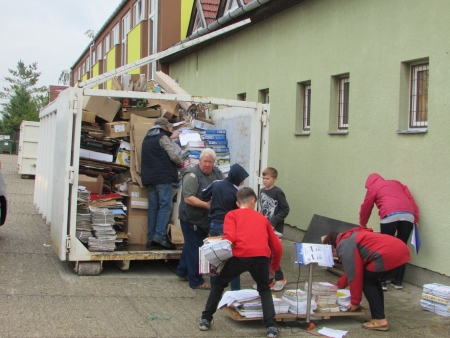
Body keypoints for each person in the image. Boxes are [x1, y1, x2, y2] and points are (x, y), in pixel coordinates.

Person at [199, 187, 282, 338]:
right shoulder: (263, 219)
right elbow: (277, 246)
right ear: (253, 201)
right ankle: (271, 327)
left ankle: (206, 318)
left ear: (237, 203)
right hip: (261, 257)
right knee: (264, 289)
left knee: (219, 284)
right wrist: (274, 267)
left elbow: (230, 238)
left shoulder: (232, 215)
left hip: (240, 256)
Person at [323, 227, 410, 331]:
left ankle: (379, 320)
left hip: (389, 254)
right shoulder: (349, 238)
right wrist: (338, 286)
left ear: (332, 246)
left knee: (367, 282)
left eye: (330, 253)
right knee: (373, 280)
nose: (333, 257)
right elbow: (352, 269)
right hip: (400, 249)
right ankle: (378, 316)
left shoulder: (344, 246)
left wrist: (355, 302)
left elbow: (354, 275)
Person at [359, 173, 419, 290]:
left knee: (385, 248)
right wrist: (415, 218)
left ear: (369, 183)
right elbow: (411, 200)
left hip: (389, 215)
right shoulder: (397, 183)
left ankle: (382, 281)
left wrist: (363, 223)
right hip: (408, 215)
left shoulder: (374, 187)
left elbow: (366, 206)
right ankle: (398, 281)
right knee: (402, 247)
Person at [176, 148, 224, 289]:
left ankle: (182, 270)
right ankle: (196, 281)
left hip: (205, 219)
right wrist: (207, 205)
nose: (207, 164)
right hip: (191, 218)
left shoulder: (217, 173)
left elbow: (224, 188)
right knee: (196, 249)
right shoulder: (192, 175)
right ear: (200, 161)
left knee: (191, 246)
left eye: (210, 162)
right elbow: (188, 198)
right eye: (205, 161)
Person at [202, 163, 249, 291]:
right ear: (237, 178)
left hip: (214, 225)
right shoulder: (237, 192)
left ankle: (215, 288)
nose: (243, 182)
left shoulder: (216, 184)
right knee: (232, 259)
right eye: (242, 179)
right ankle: (235, 290)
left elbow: (203, 194)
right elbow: (240, 211)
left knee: (214, 257)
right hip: (229, 227)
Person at [141, 117, 181, 249]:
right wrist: (180, 162)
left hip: (150, 178)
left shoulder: (146, 138)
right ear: (164, 127)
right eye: (168, 127)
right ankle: (160, 236)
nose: (168, 129)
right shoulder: (163, 137)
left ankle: (151, 237)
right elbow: (173, 156)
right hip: (163, 178)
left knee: (153, 208)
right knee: (165, 206)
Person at [257, 167, 290, 292]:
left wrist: (274, 221)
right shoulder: (261, 191)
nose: (265, 181)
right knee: (266, 254)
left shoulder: (278, 192)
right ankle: (268, 281)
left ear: (275, 179)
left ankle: (280, 278)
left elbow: (285, 209)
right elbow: (263, 208)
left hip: (275, 228)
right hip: (264, 227)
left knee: (273, 254)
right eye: (263, 178)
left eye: (268, 178)